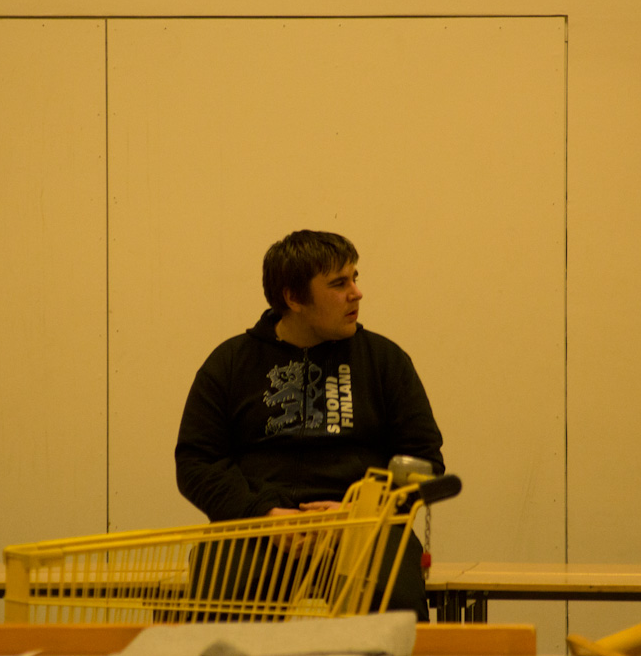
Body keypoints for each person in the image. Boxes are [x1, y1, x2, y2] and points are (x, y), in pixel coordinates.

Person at [175, 229, 445, 620]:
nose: (357, 293)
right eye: (339, 284)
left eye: (355, 278)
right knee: (222, 615)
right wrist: (263, 514)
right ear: (294, 298)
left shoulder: (385, 360)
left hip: (363, 527)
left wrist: (359, 510)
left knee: (395, 610)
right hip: (257, 528)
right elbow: (197, 462)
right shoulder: (230, 362)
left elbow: (424, 460)